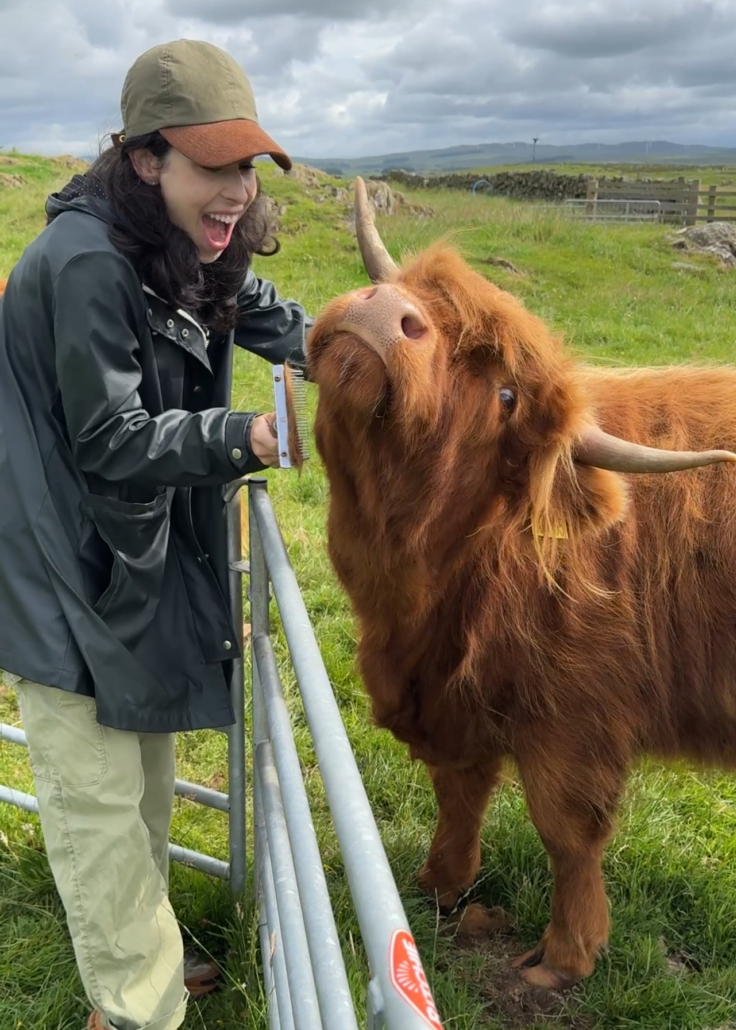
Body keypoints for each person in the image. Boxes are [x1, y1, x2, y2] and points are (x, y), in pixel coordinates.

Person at [0, 39, 311, 1030]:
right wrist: (247, 433)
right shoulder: (88, 261)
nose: (235, 192)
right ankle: (137, 1008)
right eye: (213, 165)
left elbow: (270, 315)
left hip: (118, 553)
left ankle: (151, 956)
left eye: (247, 166)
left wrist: (362, 351)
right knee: (95, 797)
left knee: (142, 781)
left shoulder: (184, 243)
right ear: (145, 159)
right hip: (59, 562)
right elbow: (110, 440)